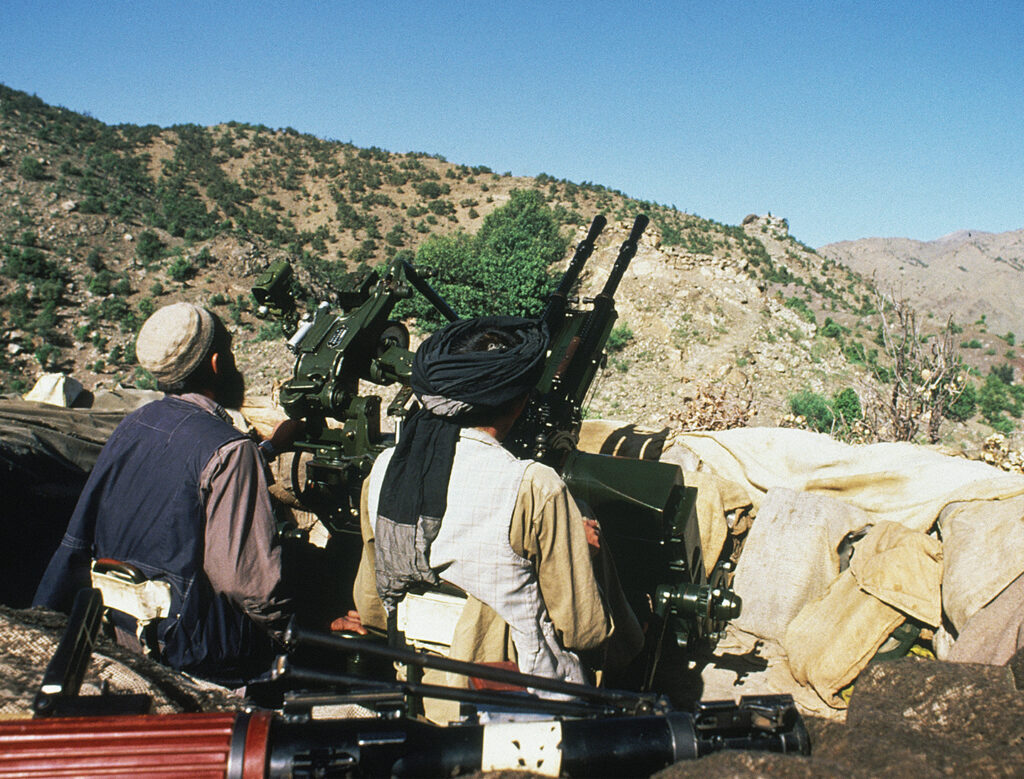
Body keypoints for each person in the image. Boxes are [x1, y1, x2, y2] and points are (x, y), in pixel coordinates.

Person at [350, 316, 642, 690]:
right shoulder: (534, 486)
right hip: (516, 698)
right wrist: (577, 548)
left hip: (418, 683)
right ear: (519, 403)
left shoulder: (385, 469)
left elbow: (372, 603)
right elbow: (583, 629)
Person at [33, 302, 300, 686]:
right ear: (215, 363)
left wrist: (270, 450)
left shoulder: (133, 424)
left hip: (124, 630)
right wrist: (297, 629)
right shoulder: (230, 451)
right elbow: (248, 585)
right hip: (195, 649)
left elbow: (182, 473)